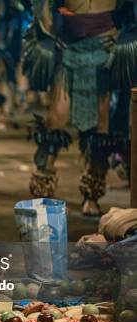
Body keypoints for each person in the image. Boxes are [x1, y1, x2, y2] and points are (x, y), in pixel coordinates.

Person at [22, 0, 125, 216]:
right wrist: (48, 28)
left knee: (100, 127)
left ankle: (92, 194)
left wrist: (125, 34)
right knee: (55, 120)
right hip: (68, 45)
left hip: (105, 43)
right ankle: (43, 191)